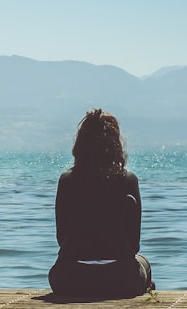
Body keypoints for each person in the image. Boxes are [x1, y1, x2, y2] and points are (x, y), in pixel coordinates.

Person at [48, 109, 153, 298]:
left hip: (70, 279)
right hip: (121, 279)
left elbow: (61, 239)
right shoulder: (128, 180)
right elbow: (134, 245)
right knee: (144, 262)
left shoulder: (67, 181)